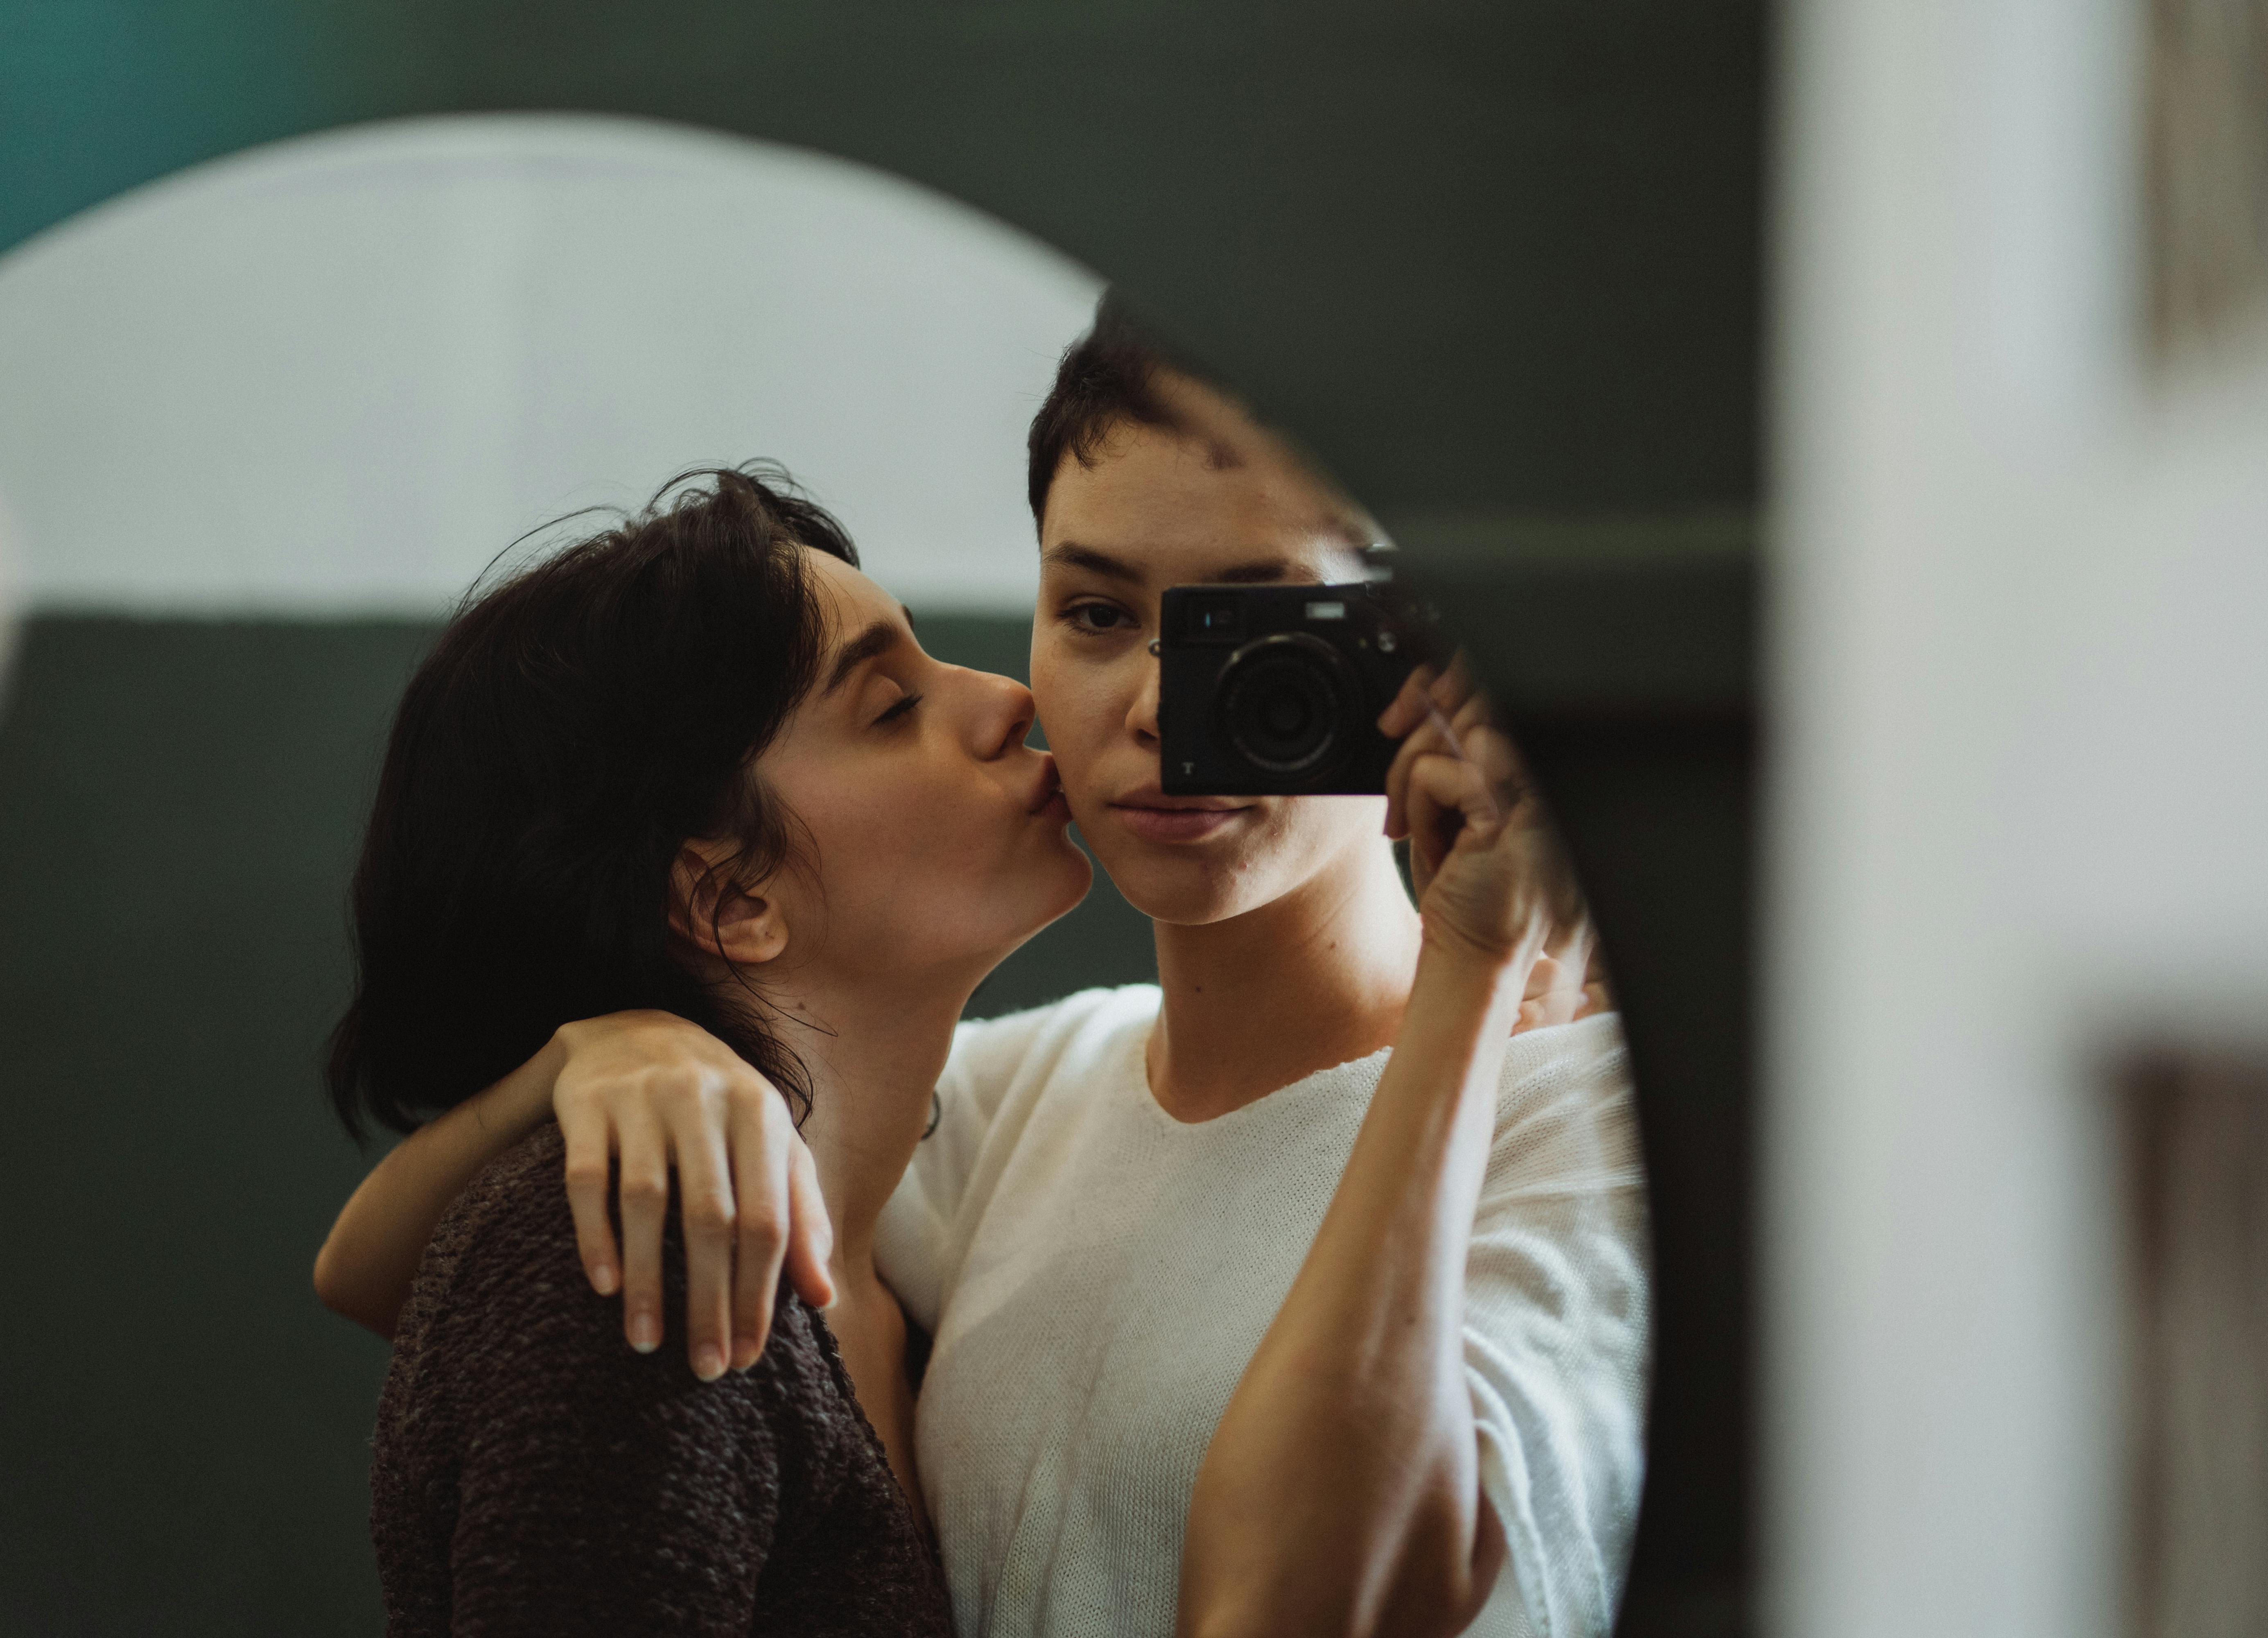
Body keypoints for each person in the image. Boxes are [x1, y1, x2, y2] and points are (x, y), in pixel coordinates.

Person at [319, 302, 1647, 1638]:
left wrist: (1474, 966)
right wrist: (596, 1054)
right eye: (1095, 612)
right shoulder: (1016, 1099)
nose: (1155, 708)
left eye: (1257, 639)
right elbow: (411, 1278)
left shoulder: (1581, 1121)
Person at [330, 468, 1090, 1632]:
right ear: (731, 900)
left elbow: (355, 1266)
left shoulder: (919, 1225)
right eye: (891, 707)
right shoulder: (646, 1262)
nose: (1003, 697)